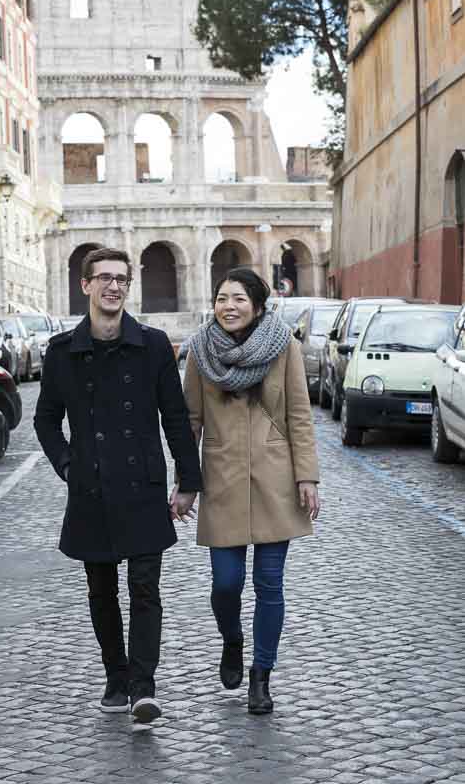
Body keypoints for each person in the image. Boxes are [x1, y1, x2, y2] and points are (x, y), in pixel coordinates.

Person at [34, 247, 202, 724]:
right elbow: (46, 420)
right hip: (91, 488)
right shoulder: (63, 352)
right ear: (85, 285)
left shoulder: (152, 345)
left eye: (122, 280)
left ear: (129, 287)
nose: (113, 287)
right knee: (101, 590)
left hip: (143, 484)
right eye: (104, 278)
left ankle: (143, 688)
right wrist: (68, 465)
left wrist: (188, 480)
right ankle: (116, 676)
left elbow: (175, 417)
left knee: (145, 589)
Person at [178, 266, 319, 715]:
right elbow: (190, 422)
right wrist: (185, 483)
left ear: (257, 305)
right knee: (226, 583)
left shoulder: (284, 348)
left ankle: (262, 674)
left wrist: (307, 476)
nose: (229, 306)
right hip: (222, 478)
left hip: (275, 479)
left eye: (238, 298)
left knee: (270, 584)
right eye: (222, 298)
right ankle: (232, 639)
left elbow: (299, 415)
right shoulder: (200, 353)